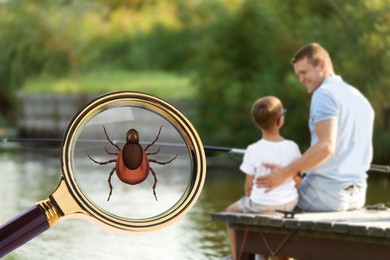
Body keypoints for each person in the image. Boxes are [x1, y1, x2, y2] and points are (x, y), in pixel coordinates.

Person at [256, 42, 375, 212]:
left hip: (325, 197)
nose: (300, 79)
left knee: (258, 202)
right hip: (358, 196)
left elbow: (326, 147)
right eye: (298, 74)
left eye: (304, 72)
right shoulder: (359, 98)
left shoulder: (324, 93)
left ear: (322, 65)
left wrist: (284, 173)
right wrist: (294, 172)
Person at [226, 96, 301, 260]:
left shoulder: (253, 149)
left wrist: (252, 199)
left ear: (257, 122)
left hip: (260, 205)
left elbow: (248, 187)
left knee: (230, 212)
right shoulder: (292, 147)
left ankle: (236, 256)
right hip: (288, 204)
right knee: (271, 222)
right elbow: (297, 180)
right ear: (280, 120)